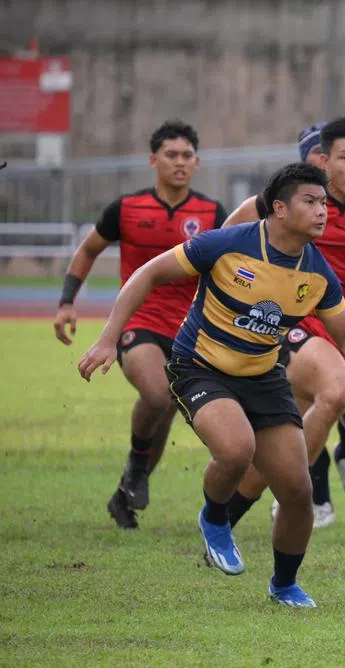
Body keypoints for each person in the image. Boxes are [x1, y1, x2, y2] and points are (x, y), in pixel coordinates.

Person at [77, 163, 345, 607]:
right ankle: (214, 518)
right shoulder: (229, 243)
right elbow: (147, 274)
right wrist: (108, 338)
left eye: (324, 203)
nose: (323, 211)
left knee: (297, 489)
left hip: (263, 377)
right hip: (199, 367)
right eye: (311, 202)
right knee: (236, 449)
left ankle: (284, 585)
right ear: (280, 209)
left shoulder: (316, 269)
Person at [223, 116, 345, 528]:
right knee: (332, 395)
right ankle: (299, 496)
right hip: (296, 323)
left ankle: (343, 455)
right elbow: (230, 231)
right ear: (324, 160)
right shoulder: (296, 196)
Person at [53, 120, 227, 529]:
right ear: (154, 160)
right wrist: (65, 303)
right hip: (139, 323)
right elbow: (87, 251)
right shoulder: (127, 209)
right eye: (171, 155)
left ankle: (125, 494)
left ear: (197, 162)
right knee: (157, 395)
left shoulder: (211, 213)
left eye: (187, 156)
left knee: (165, 411)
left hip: (191, 330)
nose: (179, 162)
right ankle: (135, 463)